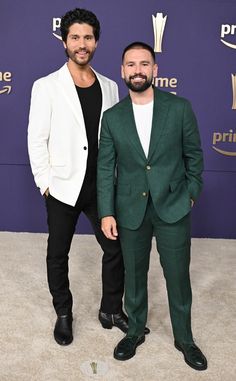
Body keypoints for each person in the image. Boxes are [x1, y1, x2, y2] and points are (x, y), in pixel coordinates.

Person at [97, 41, 207, 370]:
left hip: (173, 205)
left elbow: (195, 158)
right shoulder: (112, 117)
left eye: (144, 64)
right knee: (134, 274)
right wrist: (106, 211)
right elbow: (105, 167)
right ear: (122, 71)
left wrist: (191, 193)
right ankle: (133, 330)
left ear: (155, 70)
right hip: (130, 208)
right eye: (131, 65)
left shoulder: (180, 108)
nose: (138, 70)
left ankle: (185, 338)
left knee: (177, 276)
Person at [28, 8, 129, 346]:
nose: (81, 44)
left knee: (115, 248)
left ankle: (111, 310)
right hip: (62, 186)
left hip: (101, 186)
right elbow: (36, 138)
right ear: (65, 41)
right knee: (58, 254)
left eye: (88, 37)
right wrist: (45, 183)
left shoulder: (112, 87)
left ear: (96, 42)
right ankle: (63, 313)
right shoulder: (46, 87)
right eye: (75, 37)